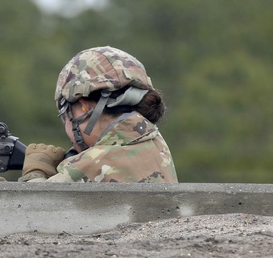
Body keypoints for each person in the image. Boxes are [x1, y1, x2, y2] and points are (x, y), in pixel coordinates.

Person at [20, 46, 178, 184]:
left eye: (65, 114)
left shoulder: (91, 164)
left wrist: (35, 172)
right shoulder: (156, 143)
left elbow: (28, 210)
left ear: (84, 108)